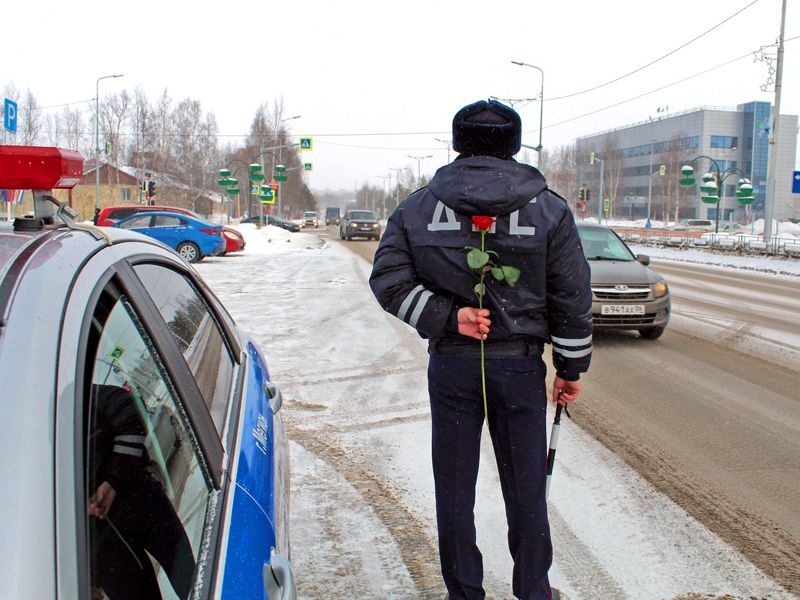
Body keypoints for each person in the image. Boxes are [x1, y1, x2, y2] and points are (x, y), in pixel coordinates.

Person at [369, 99, 592, 600]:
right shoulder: (550, 208)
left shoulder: (417, 206)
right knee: (527, 490)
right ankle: (534, 591)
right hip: (518, 369)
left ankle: (463, 593)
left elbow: (387, 280)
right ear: (513, 145)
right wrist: (571, 366)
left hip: (452, 368)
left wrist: (449, 318)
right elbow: (572, 294)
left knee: (453, 489)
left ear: (458, 141)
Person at [88, 384, 196, 600]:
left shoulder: (78, 398)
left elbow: (131, 411)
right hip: (106, 548)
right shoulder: (25, 464)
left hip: (143, 505)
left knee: (192, 581)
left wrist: (113, 481)